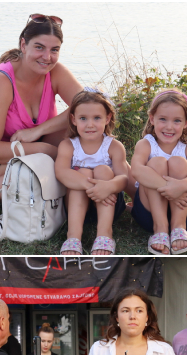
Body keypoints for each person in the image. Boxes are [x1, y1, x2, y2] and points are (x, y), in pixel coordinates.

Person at [0, 14, 83, 221]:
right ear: (23, 44)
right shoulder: (1, 81)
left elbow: (89, 106)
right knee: (36, 172)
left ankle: (134, 197)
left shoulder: (55, 72)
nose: (47, 57)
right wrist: (47, 151)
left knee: (89, 132)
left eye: (54, 50)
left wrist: (38, 130)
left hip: (30, 144)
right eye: (39, 47)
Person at [54, 88, 130, 255]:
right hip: (75, 207)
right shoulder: (68, 145)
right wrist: (92, 187)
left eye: (97, 118)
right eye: (83, 118)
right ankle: (73, 236)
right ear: (73, 119)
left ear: (107, 118)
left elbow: (124, 178)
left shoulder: (114, 146)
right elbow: (61, 172)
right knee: (83, 173)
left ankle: (105, 234)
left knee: (103, 170)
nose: (90, 124)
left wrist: (108, 187)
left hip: (109, 205)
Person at [130, 89, 187, 254]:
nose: (169, 127)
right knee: (156, 163)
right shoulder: (145, 145)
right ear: (152, 119)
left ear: (186, 122)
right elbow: (136, 170)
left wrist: (182, 186)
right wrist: (170, 188)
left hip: (186, 213)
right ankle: (160, 228)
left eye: (177, 120)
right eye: (163, 119)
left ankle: (179, 227)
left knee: (178, 163)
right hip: (150, 214)